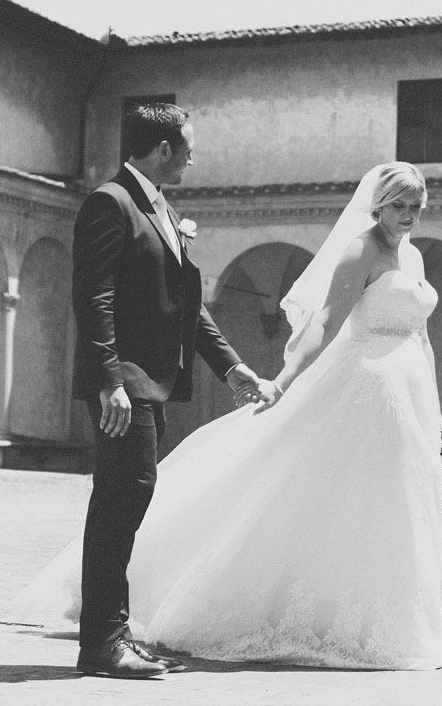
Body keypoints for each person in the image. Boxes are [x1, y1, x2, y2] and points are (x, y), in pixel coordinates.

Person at [15, 161, 442, 671]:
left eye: (416, 207)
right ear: (379, 204)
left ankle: (395, 623)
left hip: (410, 394)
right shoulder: (362, 249)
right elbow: (325, 322)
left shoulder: (412, 255)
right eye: (400, 205)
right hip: (367, 390)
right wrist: (283, 381)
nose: (408, 215)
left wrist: (435, 404)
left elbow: (421, 334)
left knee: (397, 502)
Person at [67, 102, 272, 678]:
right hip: (124, 386)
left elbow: (186, 308)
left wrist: (231, 367)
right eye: (188, 146)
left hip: (147, 386)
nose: (192, 156)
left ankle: (108, 637)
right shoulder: (111, 203)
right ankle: (104, 642)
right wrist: (108, 381)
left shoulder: (159, 207)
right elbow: (95, 297)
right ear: (163, 150)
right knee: (122, 500)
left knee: (122, 501)